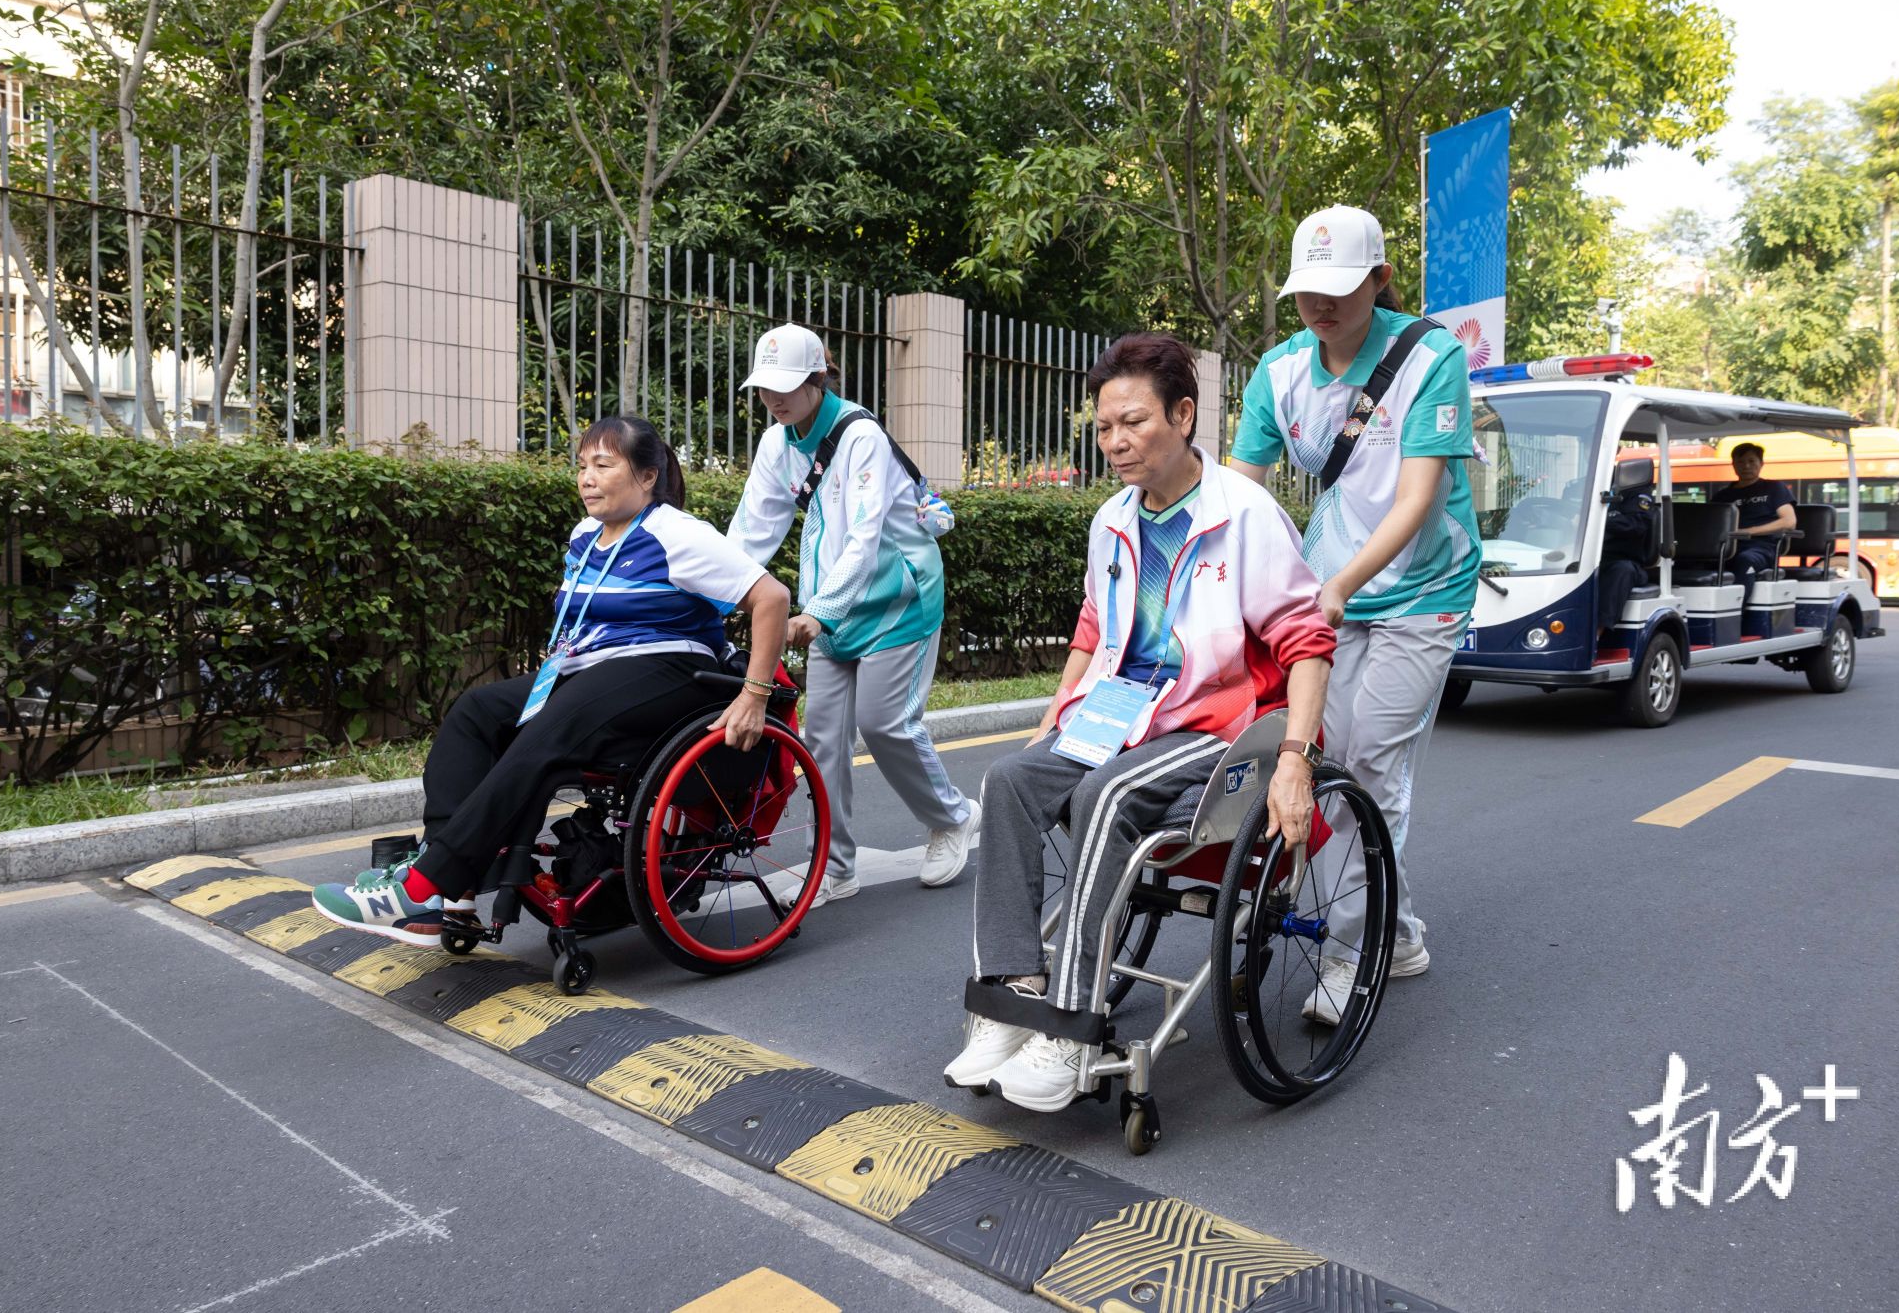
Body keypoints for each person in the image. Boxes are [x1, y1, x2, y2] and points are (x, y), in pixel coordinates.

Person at [944, 332, 1335, 1112]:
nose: (1116, 442)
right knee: (1010, 780)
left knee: (1109, 798)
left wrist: (1295, 756)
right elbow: (1095, 627)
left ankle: (1073, 1023)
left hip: (1215, 726)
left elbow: (1308, 640)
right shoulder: (1114, 520)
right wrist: (1057, 714)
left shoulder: (1244, 515)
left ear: (1183, 415)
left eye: (1133, 423)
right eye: (1104, 428)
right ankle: (1010, 992)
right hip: (1121, 712)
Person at [310, 415, 791, 944]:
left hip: (672, 670)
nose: (587, 477)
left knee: (552, 728)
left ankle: (422, 884)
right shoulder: (585, 535)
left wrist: (753, 695)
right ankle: (453, 897)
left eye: (604, 465)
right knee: (477, 713)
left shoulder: (676, 532)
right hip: (594, 673)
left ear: (647, 476)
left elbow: (771, 598)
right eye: (582, 466)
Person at [1227, 204, 1480, 1025]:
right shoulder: (1280, 372)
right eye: (1307, 291)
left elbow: (1417, 497)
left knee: (1371, 764)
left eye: (1341, 288)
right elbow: (1239, 497)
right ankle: (1392, 930)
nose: (1321, 306)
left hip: (1423, 590)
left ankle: (1349, 950)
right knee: (1314, 756)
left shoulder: (1431, 358)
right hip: (1330, 590)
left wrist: (1337, 589)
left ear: (1381, 279)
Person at [727, 323, 978, 905]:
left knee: (885, 722)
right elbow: (752, 531)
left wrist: (819, 612)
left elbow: (865, 538)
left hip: (897, 600)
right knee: (821, 742)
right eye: (764, 387)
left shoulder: (859, 434)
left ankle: (952, 817)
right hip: (830, 607)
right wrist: (713, 592)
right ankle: (833, 866)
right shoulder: (776, 443)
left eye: (787, 385)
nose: (774, 398)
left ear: (819, 378)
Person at [1709, 443, 1797, 595]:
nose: (1746, 466)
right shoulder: (1722, 496)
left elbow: (1789, 522)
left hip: (1762, 548)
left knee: (1745, 559)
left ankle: (1739, 613)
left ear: (1761, 464)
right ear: (1733, 465)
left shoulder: (1774, 488)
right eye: (1741, 462)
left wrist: (1747, 532)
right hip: (1727, 547)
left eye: (1751, 461)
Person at [1597, 471, 1658, 636]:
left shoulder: (1633, 486)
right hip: (1587, 560)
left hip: (1624, 561)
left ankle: (1596, 635)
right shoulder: (1582, 484)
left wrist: (1601, 519)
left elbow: (1636, 525)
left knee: (1621, 571)